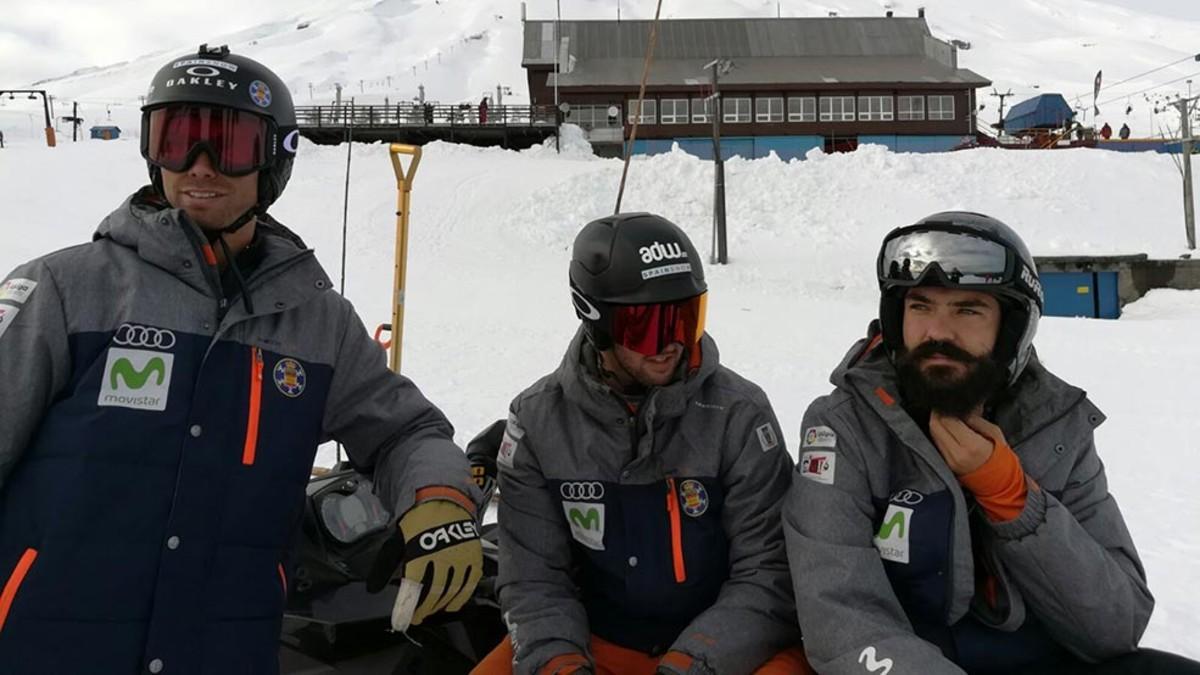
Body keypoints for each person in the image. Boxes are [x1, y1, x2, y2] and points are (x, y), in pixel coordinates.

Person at [0, 44, 482, 674]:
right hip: (49, 650)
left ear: (273, 159)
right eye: (178, 139)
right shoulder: (65, 291)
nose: (200, 166)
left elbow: (404, 429)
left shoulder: (316, 322)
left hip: (225, 651)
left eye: (227, 143)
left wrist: (438, 497)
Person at [783, 211, 1200, 674]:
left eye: (967, 309)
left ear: (1012, 328)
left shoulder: (1057, 426)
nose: (937, 331)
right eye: (920, 306)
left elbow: (1116, 626)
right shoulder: (845, 427)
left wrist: (1012, 495)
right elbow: (841, 618)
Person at [473, 213, 807, 675]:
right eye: (647, 327)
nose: (670, 343)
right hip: (601, 639)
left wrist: (693, 663)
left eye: (686, 318)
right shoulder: (539, 421)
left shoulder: (738, 415)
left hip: (730, 648)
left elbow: (769, 573)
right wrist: (560, 663)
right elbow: (533, 578)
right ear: (598, 323)